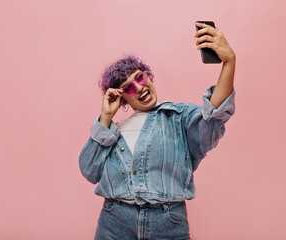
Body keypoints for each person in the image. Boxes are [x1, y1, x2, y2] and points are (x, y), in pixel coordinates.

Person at [79, 22, 236, 240]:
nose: (140, 87)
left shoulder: (178, 118)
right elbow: (89, 170)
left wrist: (228, 62)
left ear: (148, 76)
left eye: (140, 77)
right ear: (122, 98)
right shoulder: (111, 132)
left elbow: (214, 115)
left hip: (168, 225)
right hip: (114, 224)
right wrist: (106, 118)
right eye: (129, 88)